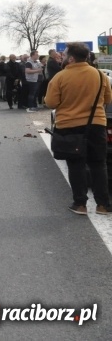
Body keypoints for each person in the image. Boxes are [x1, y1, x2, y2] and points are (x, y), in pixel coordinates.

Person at [45, 42, 112, 215]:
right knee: (98, 164)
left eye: (65, 54)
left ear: (71, 58)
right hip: (96, 125)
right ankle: (103, 205)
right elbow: (108, 98)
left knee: (76, 165)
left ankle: (80, 204)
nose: (62, 57)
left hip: (70, 126)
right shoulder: (99, 75)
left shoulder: (60, 77)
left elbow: (51, 103)